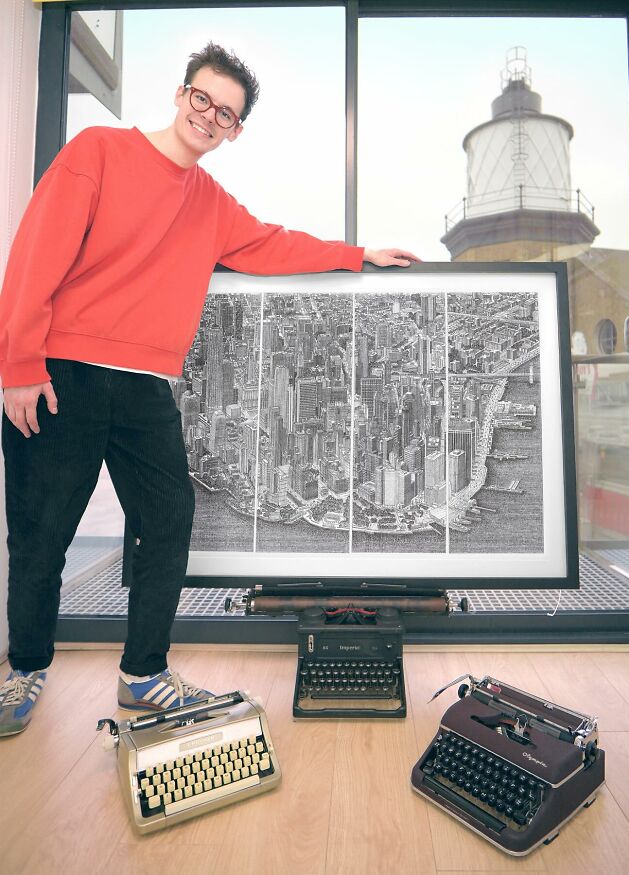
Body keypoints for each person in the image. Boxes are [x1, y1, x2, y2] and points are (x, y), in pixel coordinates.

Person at [0, 42, 418, 736]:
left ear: (234, 131)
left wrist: (357, 254)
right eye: (203, 99)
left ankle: (144, 676)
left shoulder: (210, 203)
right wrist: (18, 366)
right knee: (42, 534)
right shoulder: (97, 151)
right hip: (62, 371)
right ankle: (26, 669)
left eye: (225, 113)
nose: (209, 115)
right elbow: (35, 251)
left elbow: (273, 244)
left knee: (168, 520)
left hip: (145, 386)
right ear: (180, 93)